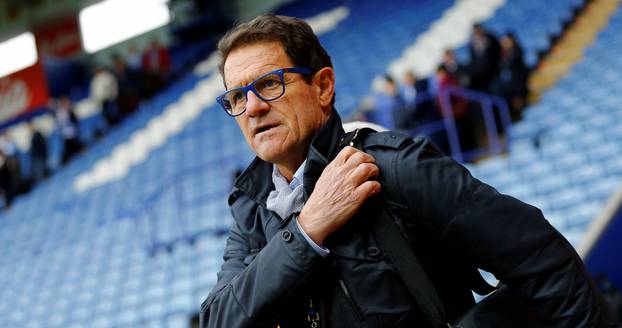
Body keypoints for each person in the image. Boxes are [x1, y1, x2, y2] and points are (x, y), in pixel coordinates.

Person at [200, 14, 612, 327]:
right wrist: (307, 231)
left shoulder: (396, 167)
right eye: (237, 96)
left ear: (323, 86)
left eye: (269, 84)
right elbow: (219, 319)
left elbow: (543, 260)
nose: (252, 107)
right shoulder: (252, 210)